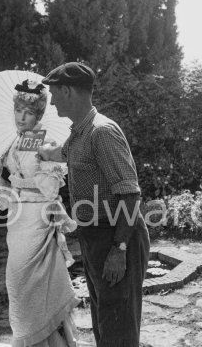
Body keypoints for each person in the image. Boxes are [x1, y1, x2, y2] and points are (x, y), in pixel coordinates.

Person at [38, 62, 150, 346]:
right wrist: (28, 144)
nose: (51, 102)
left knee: (118, 324)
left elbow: (130, 194)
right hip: (94, 236)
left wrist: (119, 249)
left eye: (53, 94)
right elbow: (56, 153)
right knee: (105, 317)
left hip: (115, 235)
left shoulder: (102, 132)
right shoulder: (79, 133)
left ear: (68, 91)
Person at [0, 79, 79, 346]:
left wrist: (29, 175)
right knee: (16, 282)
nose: (21, 117)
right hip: (16, 219)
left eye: (28, 113)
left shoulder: (43, 141)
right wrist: (0, 180)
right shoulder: (14, 142)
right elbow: (11, 189)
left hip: (37, 217)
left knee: (29, 282)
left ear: (38, 114)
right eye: (18, 111)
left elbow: (50, 188)